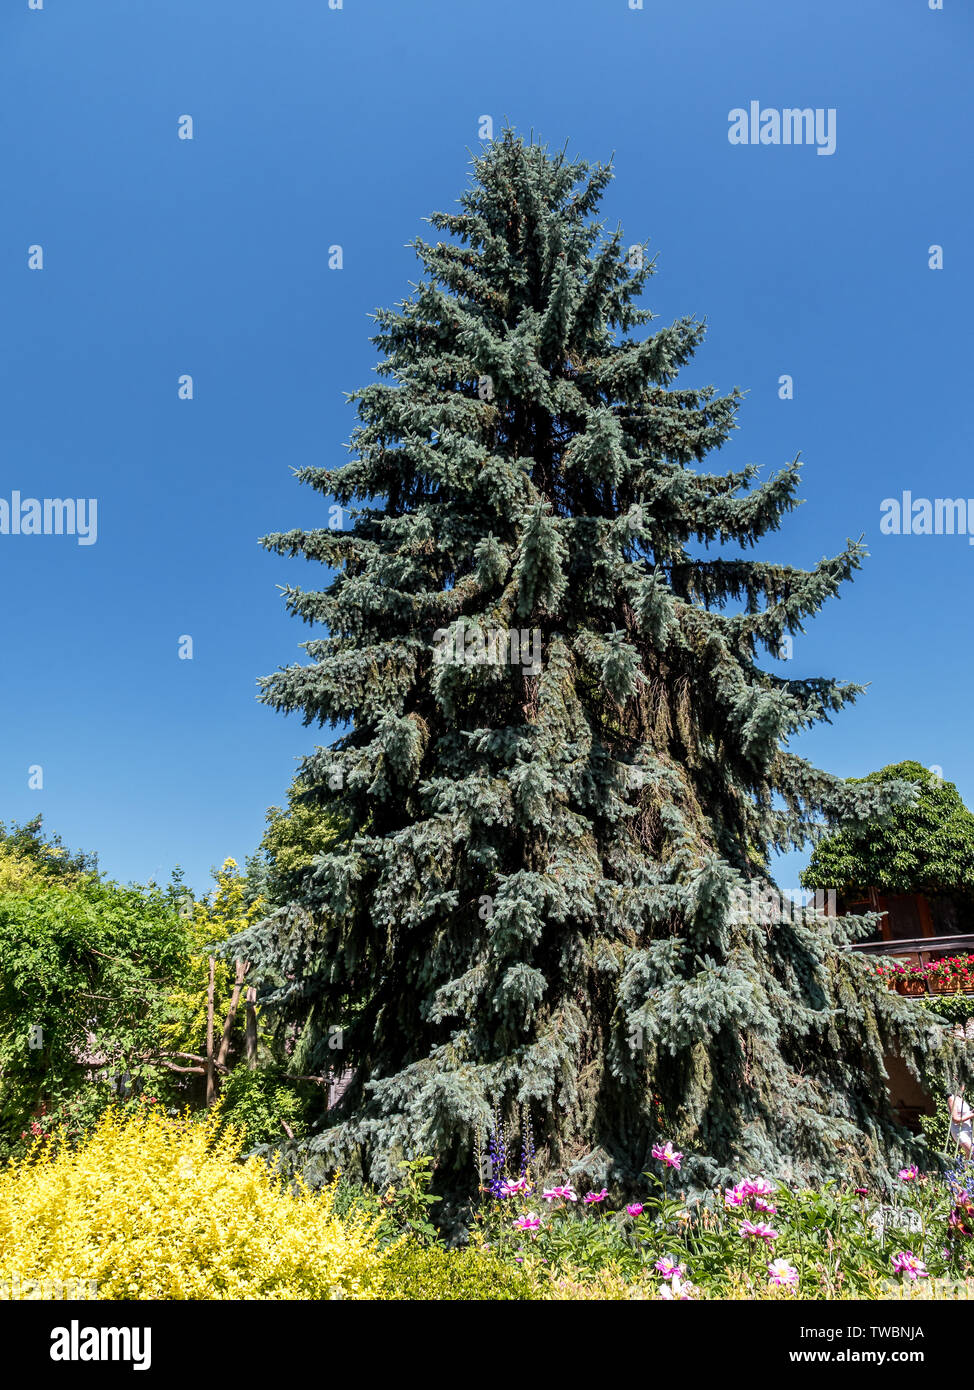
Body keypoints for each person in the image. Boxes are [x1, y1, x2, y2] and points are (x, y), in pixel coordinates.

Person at [948, 1087, 974, 1158]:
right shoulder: (952, 1098)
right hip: (959, 1131)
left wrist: (971, 1112)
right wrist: (971, 1115)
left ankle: (965, 1169)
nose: (963, 1087)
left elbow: (965, 1114)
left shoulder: (961, 1098)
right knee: (973, 1152)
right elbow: (955, 1119)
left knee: (968, 1156)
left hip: (968, 1130)